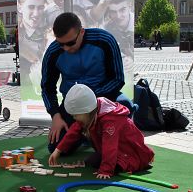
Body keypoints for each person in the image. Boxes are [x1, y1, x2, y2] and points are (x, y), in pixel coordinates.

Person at [41, 12, 133, 154]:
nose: (66, 48)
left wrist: (92, 103)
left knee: (126, 105)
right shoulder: (53, 52)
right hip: (73, 105)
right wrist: (55, 116)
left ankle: (96, 134)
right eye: (61, 44)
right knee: (56, 148)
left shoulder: (105, 40)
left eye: (70, 43)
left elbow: (117, 79)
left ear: (82, 32)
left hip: (104, 97)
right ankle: (86, 136)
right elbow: (47, 88)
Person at [49, 84, 154, 179]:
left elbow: (110, 146)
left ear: (87, 111)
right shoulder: (90, 111)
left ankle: (125, 163)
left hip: (128, 150)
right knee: (94, 161)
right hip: (116, 148)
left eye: (76, 115)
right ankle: (108, 162)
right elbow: (74, 131)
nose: (74, 118)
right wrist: (58, 150)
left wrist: (106, 171)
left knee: (114, 164)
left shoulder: (110, 121)